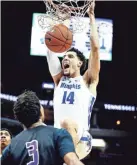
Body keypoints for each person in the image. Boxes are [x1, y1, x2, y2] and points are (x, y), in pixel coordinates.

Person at [46, 1, 100, 160]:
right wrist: (63, 21)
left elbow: (95, 50)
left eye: (70, 56)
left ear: (80, 63)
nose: (64, 59)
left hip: (82, 138)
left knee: (67, 122)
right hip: (57, 138)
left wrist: (91, 16)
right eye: (63, 57)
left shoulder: (88, 81)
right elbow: (50, 50)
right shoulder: (59, 79)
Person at [1, 91, 84, 165]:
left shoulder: (12, 146)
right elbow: (72, 161)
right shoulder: (58, 134)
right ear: (41, 111)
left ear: (19, 120)